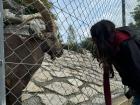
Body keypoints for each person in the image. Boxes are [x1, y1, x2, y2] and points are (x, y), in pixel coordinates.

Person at [90, 20, 140, 105]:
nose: (95, 45)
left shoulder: (127, 44)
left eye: (95, 41)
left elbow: (137, 72)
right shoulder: (115, 41)